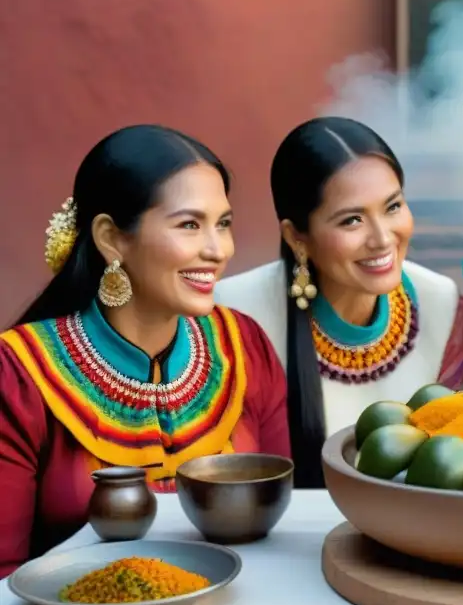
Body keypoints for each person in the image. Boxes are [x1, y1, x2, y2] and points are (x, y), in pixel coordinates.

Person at [0, 125, 290, 577]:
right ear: (111, 238)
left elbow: (276, 531)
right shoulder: (19, 375)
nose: (218, 250)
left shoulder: (244, 349)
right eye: (190, 225)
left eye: (224, 224)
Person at [215, 117, 463, 489]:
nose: (382, 238)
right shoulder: (234, 315)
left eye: (393, 206)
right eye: (352, 220)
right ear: (297, 236)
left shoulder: (440, 303)